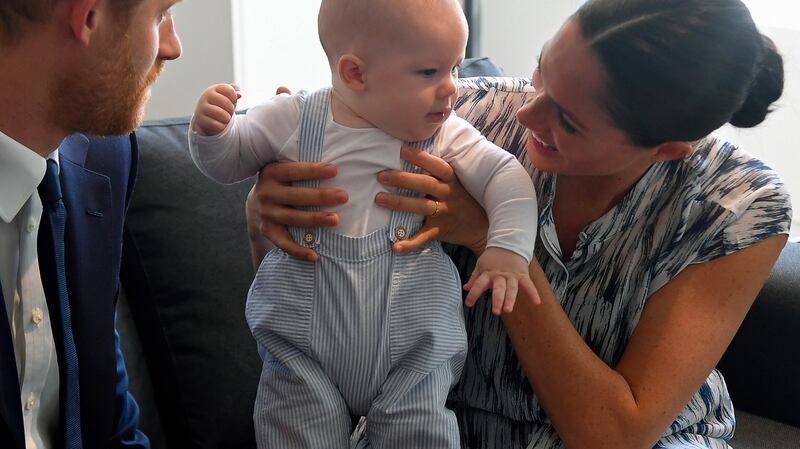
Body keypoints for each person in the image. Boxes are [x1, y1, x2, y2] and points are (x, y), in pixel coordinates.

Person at [248, 0, 792, 448]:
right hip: (437, 423)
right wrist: (269, 211)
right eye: (540, 73)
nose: (528, 114)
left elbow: (615, 434)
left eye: (570, 122)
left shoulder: (737, 206)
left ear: (666, 149)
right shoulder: (453, 115)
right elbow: (314, 294)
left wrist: (491, 234)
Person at [188, 0, 539, 447]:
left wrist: (507, 249)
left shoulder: (445, 133)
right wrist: (211, 132)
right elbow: (226, 164)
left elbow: (506, 176)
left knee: (420, 433)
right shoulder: (293, 118)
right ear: (355, 74)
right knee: (293, 430)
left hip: (413, 349)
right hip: (303, 351)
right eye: (430, 72)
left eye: (455, 66)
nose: (452, 89)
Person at [0, 1, 181, 448]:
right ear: (88, 17)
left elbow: (110, 425)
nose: (173, 47)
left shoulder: (102, 156)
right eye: (159, 16)